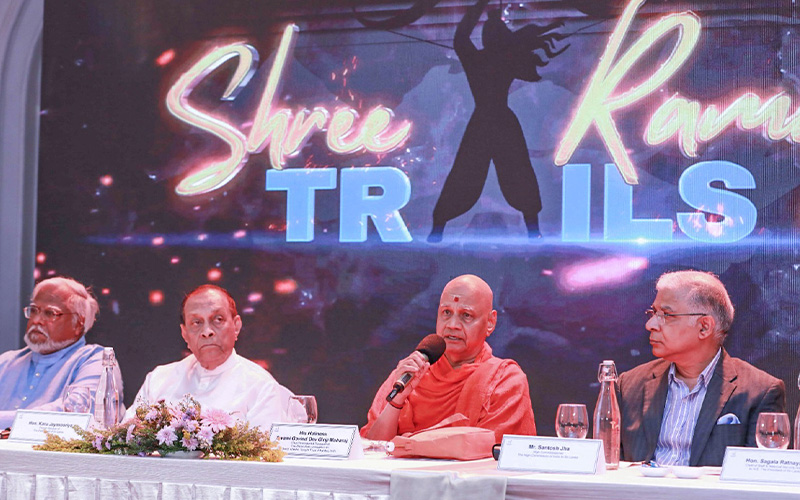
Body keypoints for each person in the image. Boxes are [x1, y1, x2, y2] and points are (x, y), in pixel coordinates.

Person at [618, 270, 786, 466]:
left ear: (704, 327)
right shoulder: (629, 385)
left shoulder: (760, 391)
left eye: (666, 315)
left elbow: (757, 475)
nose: (650, 324)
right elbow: (608, 466)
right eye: (653, 313)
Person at [362, 274, 536, 442]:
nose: (452, 325)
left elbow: (488, 451)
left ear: (490, 322)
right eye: (446, 312)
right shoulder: (408, 375)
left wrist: (409, 444)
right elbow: (372, 448)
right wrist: (397, 401)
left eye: (466, 315)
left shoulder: (505, 380)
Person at [126, 284, 293, 429]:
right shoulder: (159, 380)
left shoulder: (261, 386)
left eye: (218, 319)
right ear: (184, 334)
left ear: (236, 326)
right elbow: (125, 438)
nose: (207, 332)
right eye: (196, 323)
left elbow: (267, 452)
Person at [0, 277, 123, 428]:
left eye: (50, 313)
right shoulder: (6, 362)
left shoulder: (96, 361)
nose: (36, 320)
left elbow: (75, 415)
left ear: (78, 323)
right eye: (34, 311)